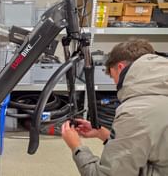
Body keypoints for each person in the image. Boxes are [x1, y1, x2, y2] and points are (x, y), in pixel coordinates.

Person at [61, 38, 168, 176]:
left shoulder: (136, 113)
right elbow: (152, 146)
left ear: (120, 68)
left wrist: (76, 147)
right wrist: (104, 135)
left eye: (113, 77)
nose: (115, 84)